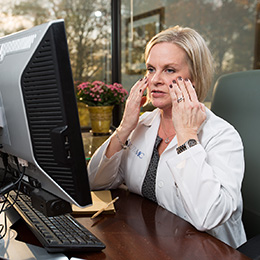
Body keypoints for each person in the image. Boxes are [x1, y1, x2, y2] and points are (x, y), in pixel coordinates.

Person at [87, 25, 246, 248]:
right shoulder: (143, 124)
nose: (154, 80)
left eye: (169, 70)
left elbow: (208, 217)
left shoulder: (222, 136)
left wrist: (187, 135)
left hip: (210, 250)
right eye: (151, 69)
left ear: (195, 78)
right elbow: (96, 182)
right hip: (152, 242)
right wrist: (124, 128)